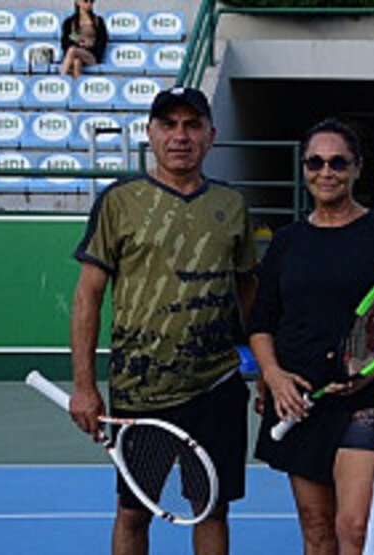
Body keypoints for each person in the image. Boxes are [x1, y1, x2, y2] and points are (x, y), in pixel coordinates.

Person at [69, 87, 256, 554]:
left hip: (216, 386)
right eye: (168, 125)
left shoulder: (232, 206)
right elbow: (88, 296)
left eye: (192, 125)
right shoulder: (119, 201)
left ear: (211, 136)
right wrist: (85, 385)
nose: (180, 135)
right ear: (150, 134)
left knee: (211, 507)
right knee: (134, 512)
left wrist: (265, 370)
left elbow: (247, 292)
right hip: (140, 390)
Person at [249, 118, 374, 554]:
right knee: (316, 527)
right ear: (304, 168)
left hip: (365, 400)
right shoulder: (287, 241)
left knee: (356, 528)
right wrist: (274, 375)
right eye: (316, 162)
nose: (327, 172)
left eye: (338, 162)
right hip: (300, 400)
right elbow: (261, 323)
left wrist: (371, 369)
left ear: (357, 168)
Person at [60, 0, 108, 78]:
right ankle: (75, 86)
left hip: (91, 55)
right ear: (78, 2)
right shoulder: (70, 22)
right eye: (85, 1)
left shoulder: (98, 21)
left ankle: (61, 78)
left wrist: (90, 44)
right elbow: (65, 41)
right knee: (76, 62)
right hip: (76, 53)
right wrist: (79, 43)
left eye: (92, 1)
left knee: (72, 50)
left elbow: (102, 41)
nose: (89, 4)